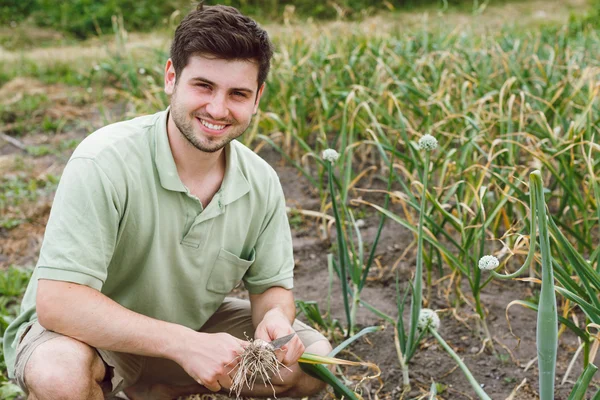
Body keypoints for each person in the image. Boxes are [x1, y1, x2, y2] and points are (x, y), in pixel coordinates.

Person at [2, 3, 332, 399]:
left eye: (238, 93)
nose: (217, 109)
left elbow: (271, 290)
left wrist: (276, 321)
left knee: (315, 360)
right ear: (171, 77)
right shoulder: (104, 161)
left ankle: (157, 388)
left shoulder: (261, 181)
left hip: (193, 329)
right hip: (93, 336)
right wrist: (183, 344)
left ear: (258, 97)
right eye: (204, 86)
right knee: (60, 374)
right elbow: (58, 302)